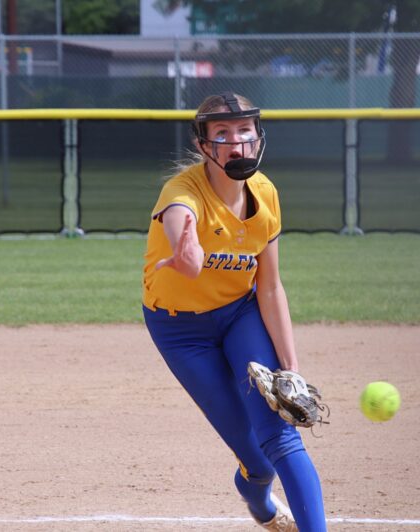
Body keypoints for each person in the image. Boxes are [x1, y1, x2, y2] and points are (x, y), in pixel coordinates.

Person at [142, 92, 326, 532]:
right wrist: (186, 256)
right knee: (257, 460)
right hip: (181, 333)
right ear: (205, 145)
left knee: (280, 436)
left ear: (257, 137)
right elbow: (178, 219)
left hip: (240, 314)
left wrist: (291, 368)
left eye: (244, 130)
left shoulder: (265, 194)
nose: (236, 142)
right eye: (222, 133)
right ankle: (260, 498)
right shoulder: (182, 194)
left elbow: (270, 286)